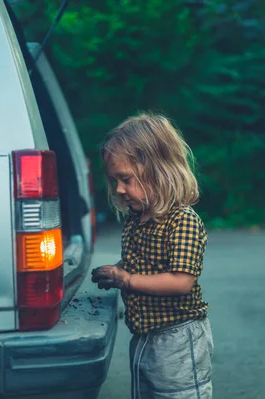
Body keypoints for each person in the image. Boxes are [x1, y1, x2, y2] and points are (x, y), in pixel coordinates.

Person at [92, 112, 214, 399]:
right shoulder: (137, 219)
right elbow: (140, 263)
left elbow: (180, 281)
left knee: (179, 394)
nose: (119, 189)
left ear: (159, 171)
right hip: (145, 335)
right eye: (114, 181)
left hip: (178, 339)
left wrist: (128, 279)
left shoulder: (181, 220)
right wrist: (117, 271)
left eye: (126, 179)